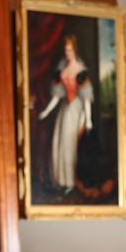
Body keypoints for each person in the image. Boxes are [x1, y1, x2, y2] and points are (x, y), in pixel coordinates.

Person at [38, 34, 93, 194]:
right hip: (64, 108)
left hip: (76, 108)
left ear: (74, 50)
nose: (67, 53)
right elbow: (57, 95)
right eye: (65, 50)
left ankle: (70, 182)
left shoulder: (81, 69)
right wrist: (47, 111)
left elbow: (86, 97)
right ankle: (61, 181)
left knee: (69, 145)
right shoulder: (62, 68)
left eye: (70, 50)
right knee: (59, 143)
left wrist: (88, 120)